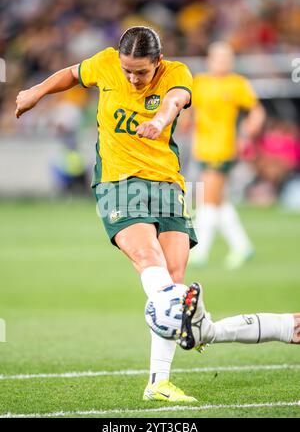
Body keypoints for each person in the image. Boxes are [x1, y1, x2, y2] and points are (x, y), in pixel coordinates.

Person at [15, 26, 200, 403]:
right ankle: (199, 328)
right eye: (127, 70)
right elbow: (71, 74)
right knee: (151, 261)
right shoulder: (104, 64)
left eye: (141, 73)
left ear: (158, 63)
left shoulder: (177, 72)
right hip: (118, 182)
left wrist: (160, 122)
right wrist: (35, 92)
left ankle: (158, 382)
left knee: (175, 278)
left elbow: (175, 101)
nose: (133, 78)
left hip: (168, 182)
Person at [189, 42, 266, 269]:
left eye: (226, 58)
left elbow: (256, 109)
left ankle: (200, 251)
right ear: (209, 60)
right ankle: (242, 246)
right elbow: (189, 109)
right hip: (202, 147)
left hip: (223, 149)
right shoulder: (200, 82)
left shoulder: (236, 84)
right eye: (218, 58)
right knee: (218, 201)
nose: (222, 62)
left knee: (207, 200)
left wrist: (250, 129)